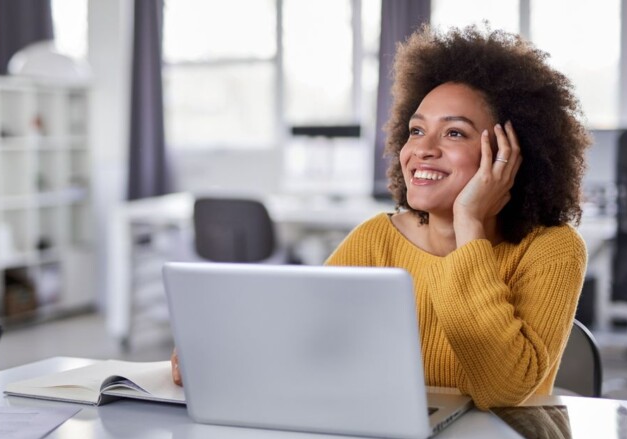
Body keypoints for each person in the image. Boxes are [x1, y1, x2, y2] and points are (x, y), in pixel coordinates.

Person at [173, 24, 589, 411]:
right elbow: (302, 338)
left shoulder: (552, 249)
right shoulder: (376, 239)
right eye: (416, 130)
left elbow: (501, 390)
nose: (422, 149)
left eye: (455, 132)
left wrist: (469, 224)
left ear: (507, 153)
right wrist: (219, 348)